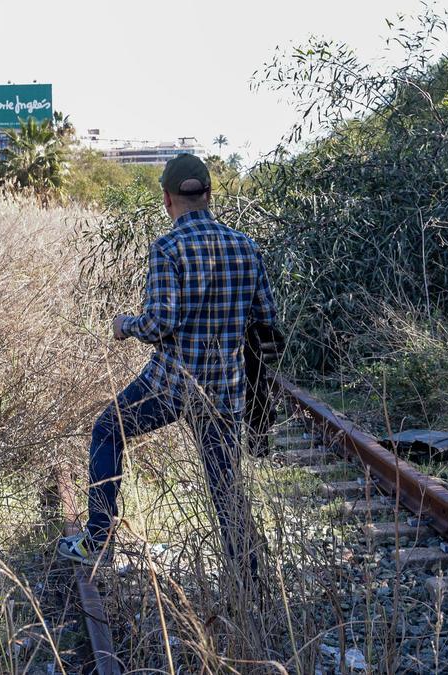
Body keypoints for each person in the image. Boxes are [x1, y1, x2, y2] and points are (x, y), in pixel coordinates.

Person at [56, 154, 280, 575]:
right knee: (225, 483)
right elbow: (266, 320)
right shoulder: (246, 247)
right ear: (209, 196)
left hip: (171, 386)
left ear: (167, 200)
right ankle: (248, 572)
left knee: (108, 430)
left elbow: (161, 323)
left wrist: (125, 326)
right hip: (225, 390)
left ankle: (98, 541)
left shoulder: (167, 248)